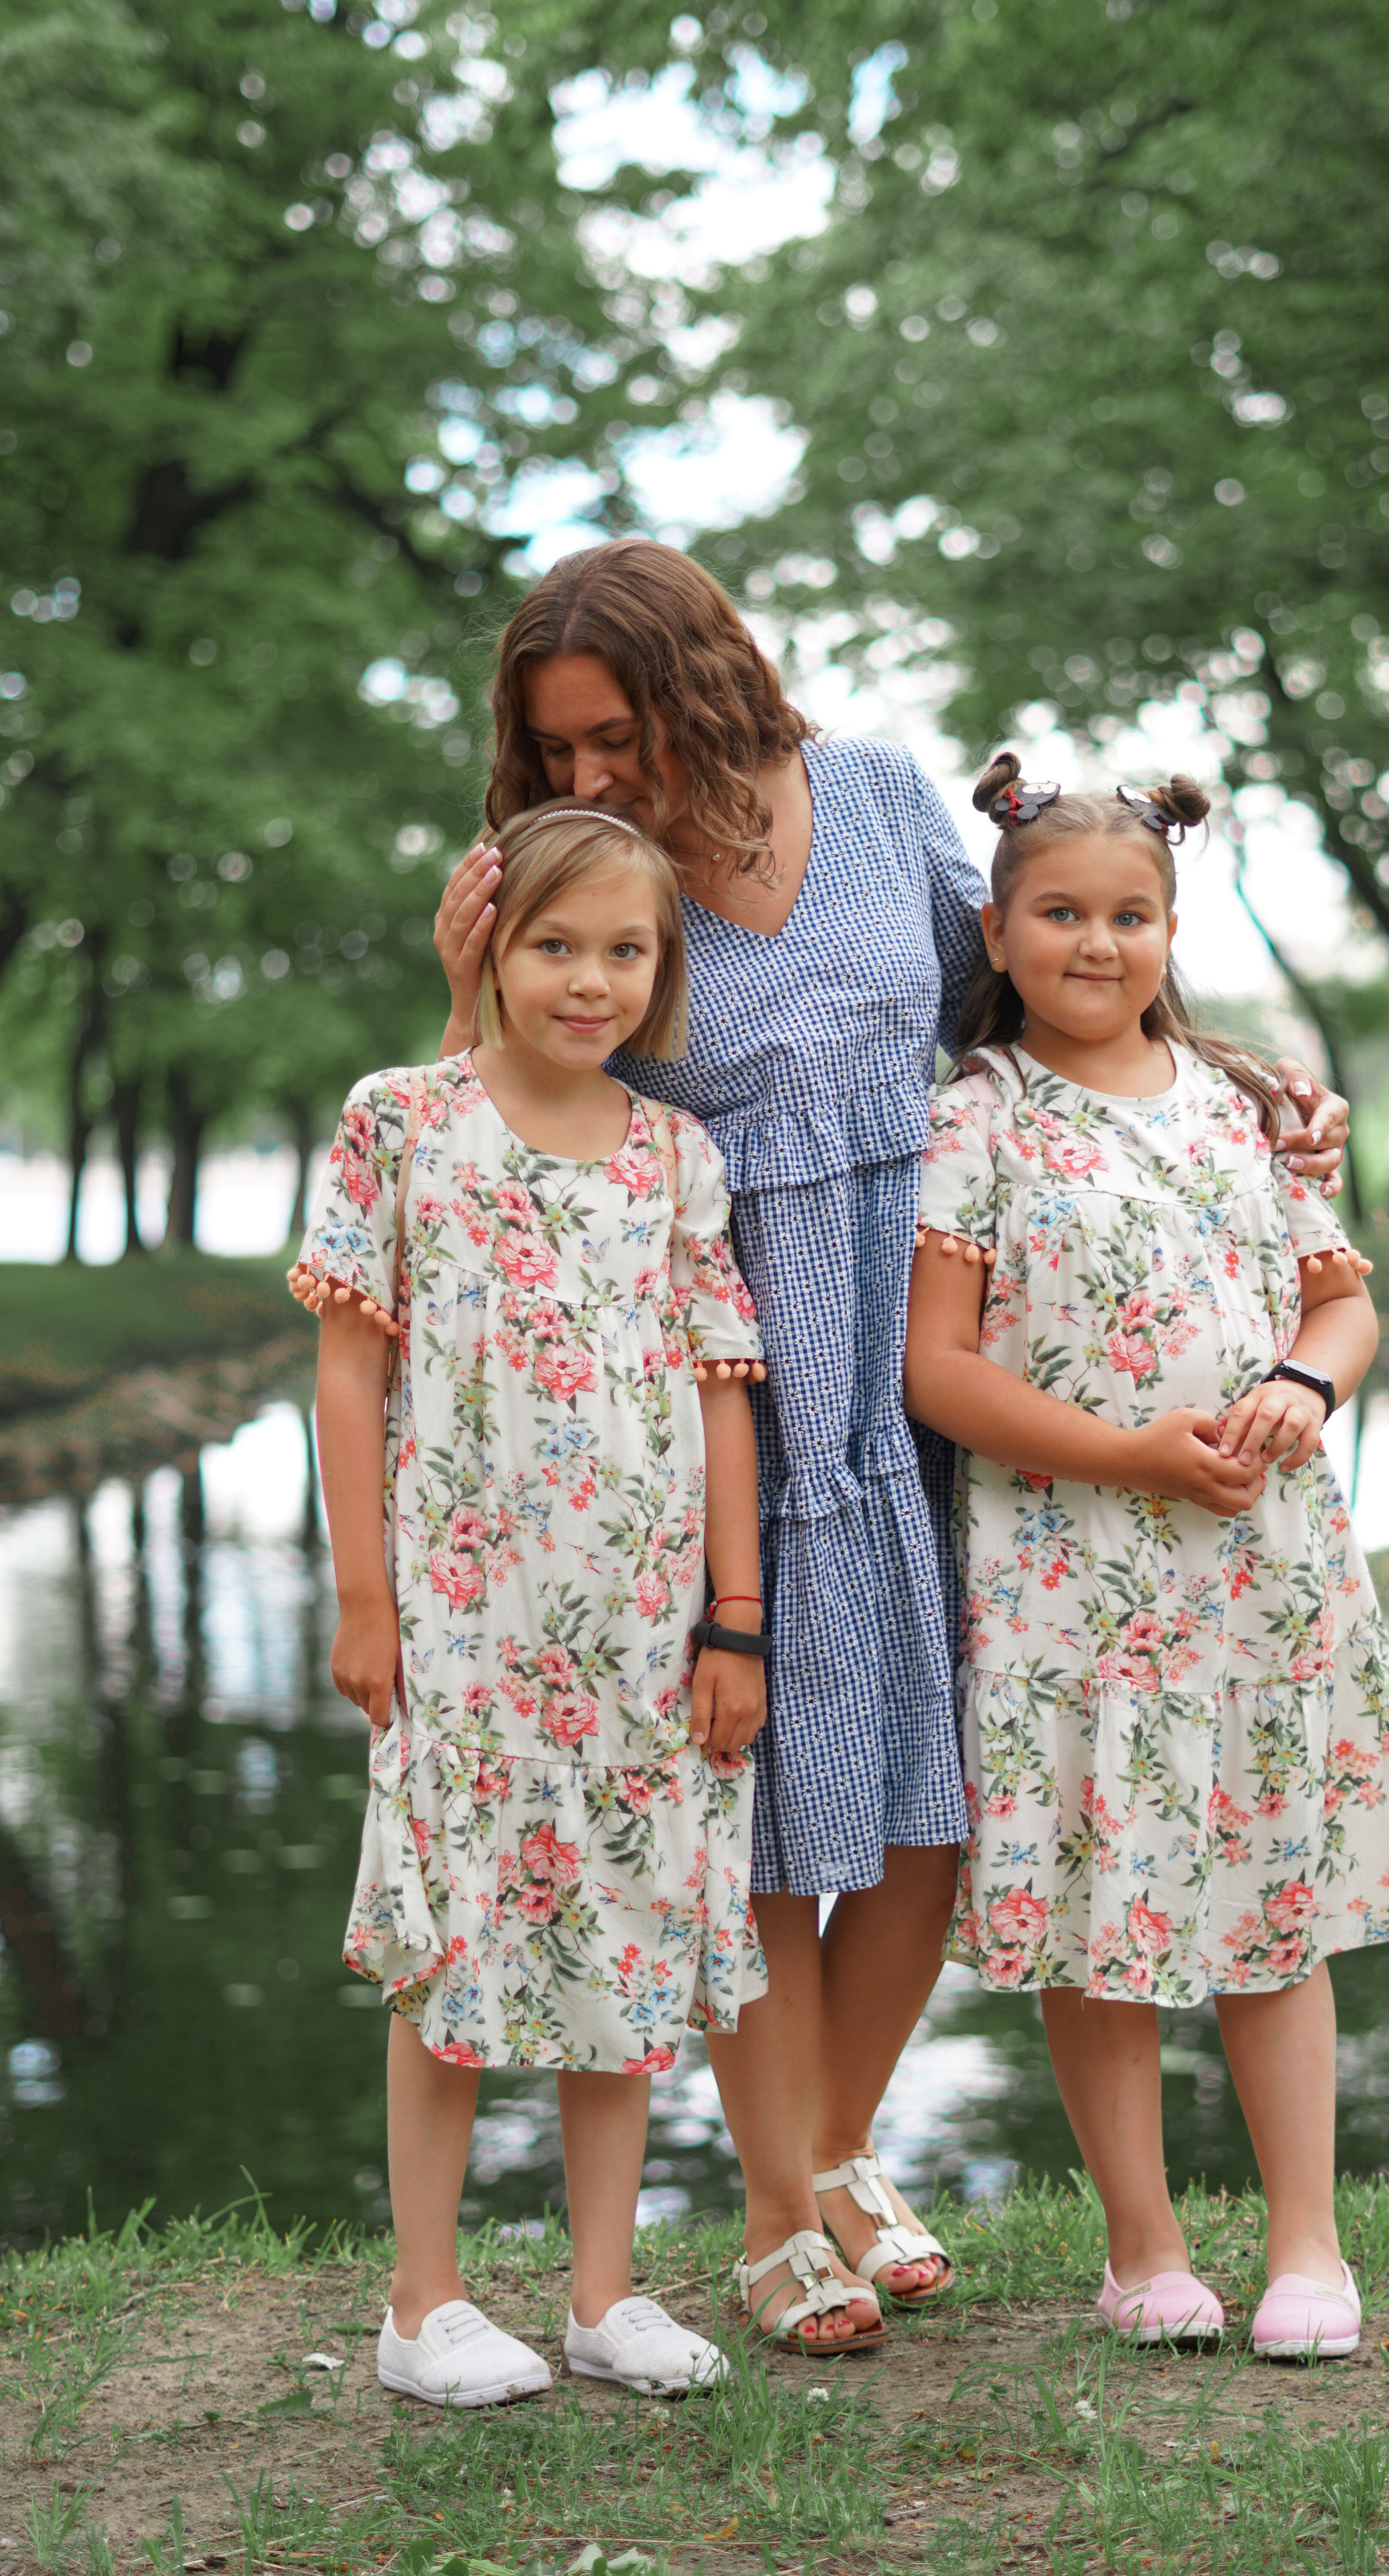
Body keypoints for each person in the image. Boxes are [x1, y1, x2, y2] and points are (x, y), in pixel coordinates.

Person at [431, 538, 1355, 2354]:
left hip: (945, 1355)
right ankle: (787, 2222)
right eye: (556, 755)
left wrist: (1239, 1080)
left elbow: (1032, 1000)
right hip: (730, 1385)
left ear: (704, 680)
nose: (589, 781)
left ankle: (833, 2151)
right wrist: (460, 988)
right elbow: (524, 1115)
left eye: (614, 736)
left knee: (940, 1803)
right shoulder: (595, 885)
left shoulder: (867, 797)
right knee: (764, 1814)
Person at [903, 756, 1389, 2361]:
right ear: (995, 933)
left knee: (1275, 1901)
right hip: (1074, 1574)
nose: (1095, 944)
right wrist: (1132, 1452)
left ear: (1169, 924)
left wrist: (1299, 1381)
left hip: (1260, 1573)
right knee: (1102, 1913)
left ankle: (1307, 2250)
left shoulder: (1246, 1109)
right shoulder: (973, 1122)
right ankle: (1140, 2248)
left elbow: (1338, 1301)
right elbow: (937, 1368)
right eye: (1058, 913)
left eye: (1127, 915)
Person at [292, 802, 773, 2402]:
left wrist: (736, 1614)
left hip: (640, 1637)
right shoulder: (402, 1121)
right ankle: (421, 2301)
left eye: (621, 951)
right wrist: (365, 1598)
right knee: (455, 1946)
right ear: (488, 946)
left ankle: (600, 2295)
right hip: (463, 1628)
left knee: (624, 1946)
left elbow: (717, 1393)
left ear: (661, 966)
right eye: (552, 944)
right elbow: (350, 1378)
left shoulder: (676, 1155)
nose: (587, 981)